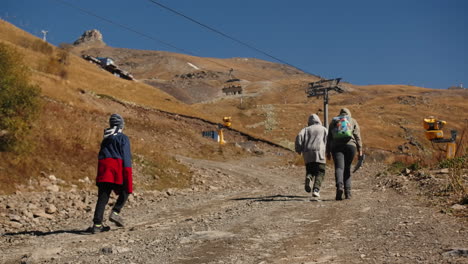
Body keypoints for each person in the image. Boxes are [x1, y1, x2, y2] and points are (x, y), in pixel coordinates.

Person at [90, 113, 133, 233]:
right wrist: (127, 173)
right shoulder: (122, 138)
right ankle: (115, 212)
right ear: (121, 125)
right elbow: (126, 157)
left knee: (102, 198)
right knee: (126, 190)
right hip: (116, 170)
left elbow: (101, 156)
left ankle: (97, 225)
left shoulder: (105, 139)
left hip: (103, 171)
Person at [326, 108, 362, 200]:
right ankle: (348, 193)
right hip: (351, 146)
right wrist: (360, 150)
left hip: (336, 146)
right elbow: (357, 136)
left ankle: (339, 187)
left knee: (339, 168)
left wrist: (328, 151)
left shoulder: (334, 121)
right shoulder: (352, 120)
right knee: (347, 168)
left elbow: (329, 138)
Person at [295, 114, 328, 198]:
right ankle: (316, 190)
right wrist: (329, 152)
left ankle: (309, 177)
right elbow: (329, 140)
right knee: (320, 172)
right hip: (320, 152)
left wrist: (299, 149)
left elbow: (299, 137)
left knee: (310, 170)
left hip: (307, 153)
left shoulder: (305, 129)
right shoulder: (323, 129)